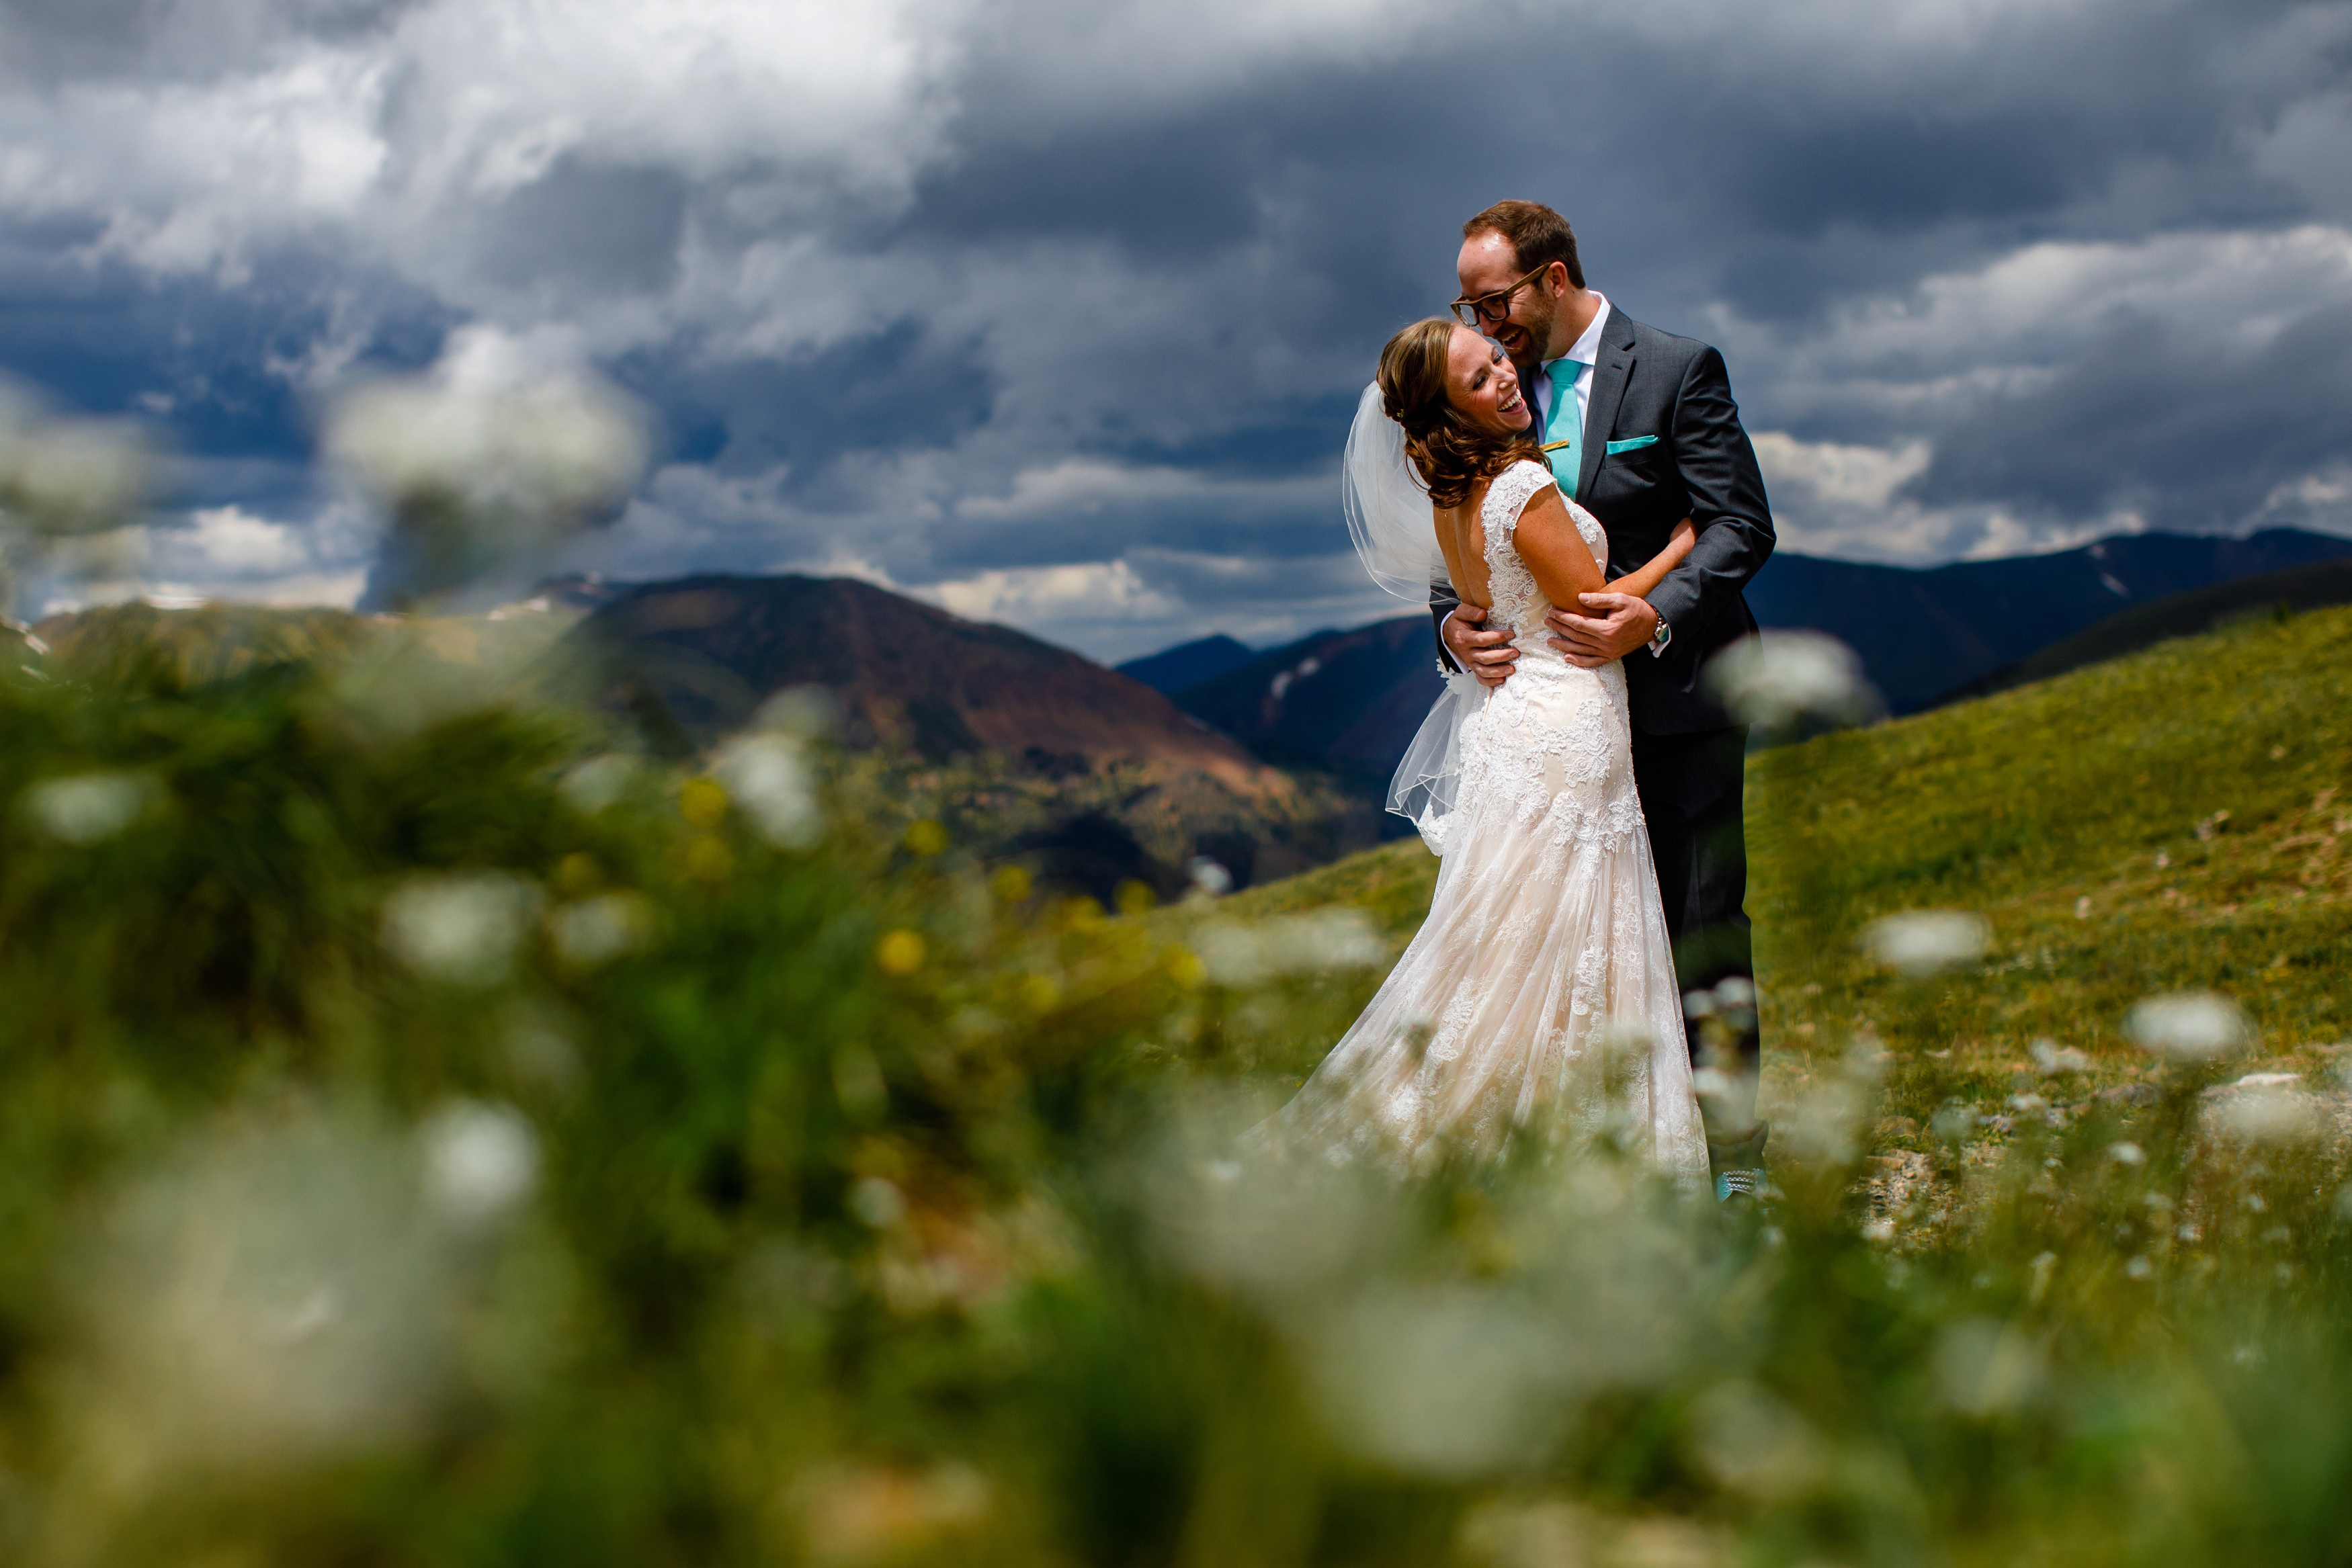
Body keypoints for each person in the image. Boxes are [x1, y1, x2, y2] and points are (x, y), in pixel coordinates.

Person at [1259, 318, 1707, 1186]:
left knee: (1504, 939)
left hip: (1508, 727)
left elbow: (1485, 601)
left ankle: (1495, 1119)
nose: (1505, 377)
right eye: (1478, 379)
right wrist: (1680, 548)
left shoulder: (1451, 496)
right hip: (1565, 721)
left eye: (1497, 360)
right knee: (1569, 929)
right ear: (1450, 412)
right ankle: (1554, 1137)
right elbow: (1592, 608)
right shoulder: (1521, 486)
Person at [1438, 201, 1773, 1200]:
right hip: (1557, 723)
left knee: (1700, 924)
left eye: (1493, 300)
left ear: (1550, 277)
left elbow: (1738, 525)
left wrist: (1653, 615)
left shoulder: (1678, 368)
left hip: (1678, 696)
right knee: (1561, 937)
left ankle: (1736, 1166)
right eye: (1466, 304)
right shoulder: (1491, 390)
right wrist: (1450, 628)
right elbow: (1459, 539)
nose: (1481, 323)